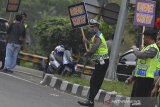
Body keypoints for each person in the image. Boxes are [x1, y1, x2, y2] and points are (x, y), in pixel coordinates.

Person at [77, 19, 109, 107]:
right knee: (94, 81)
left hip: (102, 62)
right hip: (100, 62)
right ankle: (90, 101)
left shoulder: (98, 36)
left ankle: (90, 101)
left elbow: (94, 48)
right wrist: (86, 41)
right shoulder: (95, 36)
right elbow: (92, 44)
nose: (91, 29)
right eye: (90, 27)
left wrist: (87, 52)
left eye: (92, 27)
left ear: (96, 27)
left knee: (95, 81)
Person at [127, 29, 159, 107]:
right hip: (140, 78)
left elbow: (140, 55)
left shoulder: (153, 49)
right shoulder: (146, 48)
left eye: (144, 37)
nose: (143, 39)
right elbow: (139, 65)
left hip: (146, 80)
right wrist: (132, 76)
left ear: (149, 37)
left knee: (138, 103)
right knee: (133, 101)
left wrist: (134, 48)